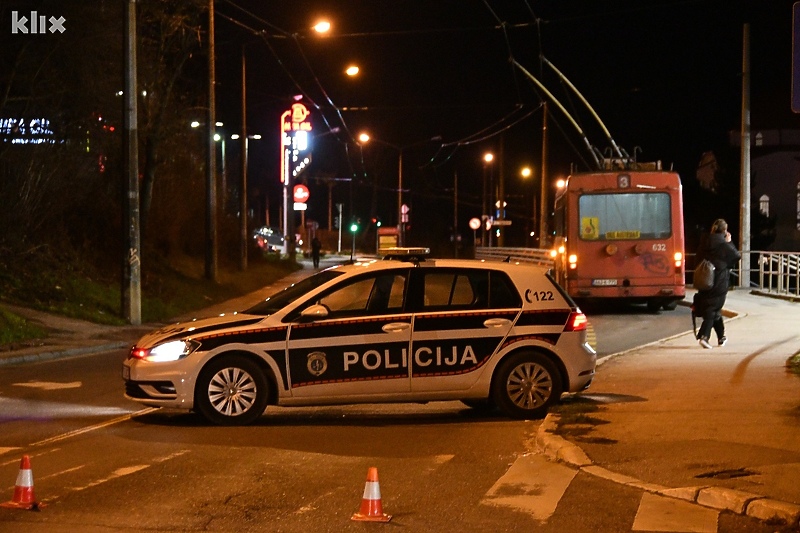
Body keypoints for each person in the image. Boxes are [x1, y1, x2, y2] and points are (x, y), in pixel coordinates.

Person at [693, 218, 741, 349]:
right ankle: (704, 336)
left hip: (704, 279)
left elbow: (697, 259)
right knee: (713, 308)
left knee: (714, 308)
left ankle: (721, 337)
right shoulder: (723, 244)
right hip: (719, 280)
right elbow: (736, 256)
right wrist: (729, 242)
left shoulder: (704, 242)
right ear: (725, 231)